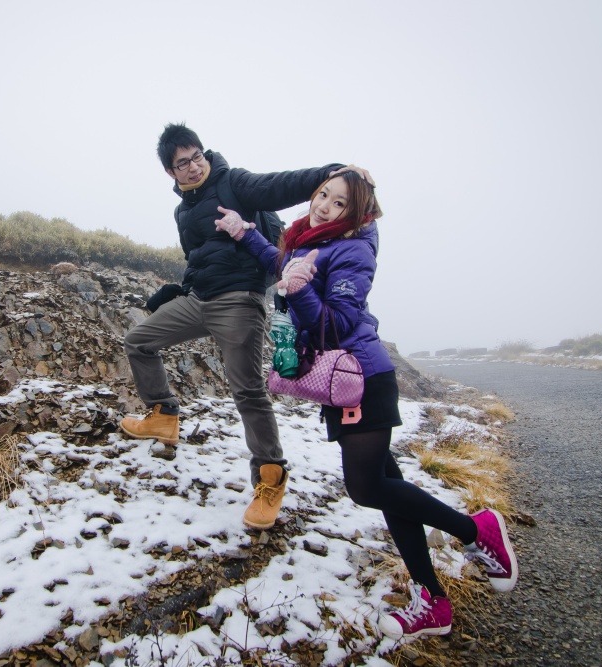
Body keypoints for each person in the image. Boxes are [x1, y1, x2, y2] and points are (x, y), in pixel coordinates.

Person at [215, 172, 518, 642]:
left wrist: (299, 290)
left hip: (362, 379)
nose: (324, 207)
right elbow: (282, 262)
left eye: (338, 204)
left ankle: (476, 531)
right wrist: (245, 231)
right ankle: (433, 601)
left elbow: (337, 322)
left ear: (353, 215)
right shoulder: (306, 240)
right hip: (341, 383)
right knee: (388, 489)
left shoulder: (353, 250)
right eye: (322, 196)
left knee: (364, 487)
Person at [119, 122, 369, 530]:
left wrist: (334, 174)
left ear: (205, 153)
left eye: (197, 156)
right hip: (199, 300)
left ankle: (270, 477)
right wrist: (180, 289)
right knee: (138, 340)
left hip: (239, 302)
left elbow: (278, 186)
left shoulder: (234, 183)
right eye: (183, 163)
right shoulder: (182, 210)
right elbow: (203, 257)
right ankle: (163, 414)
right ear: (171, 172)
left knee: (247, 390)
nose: (194, 167)